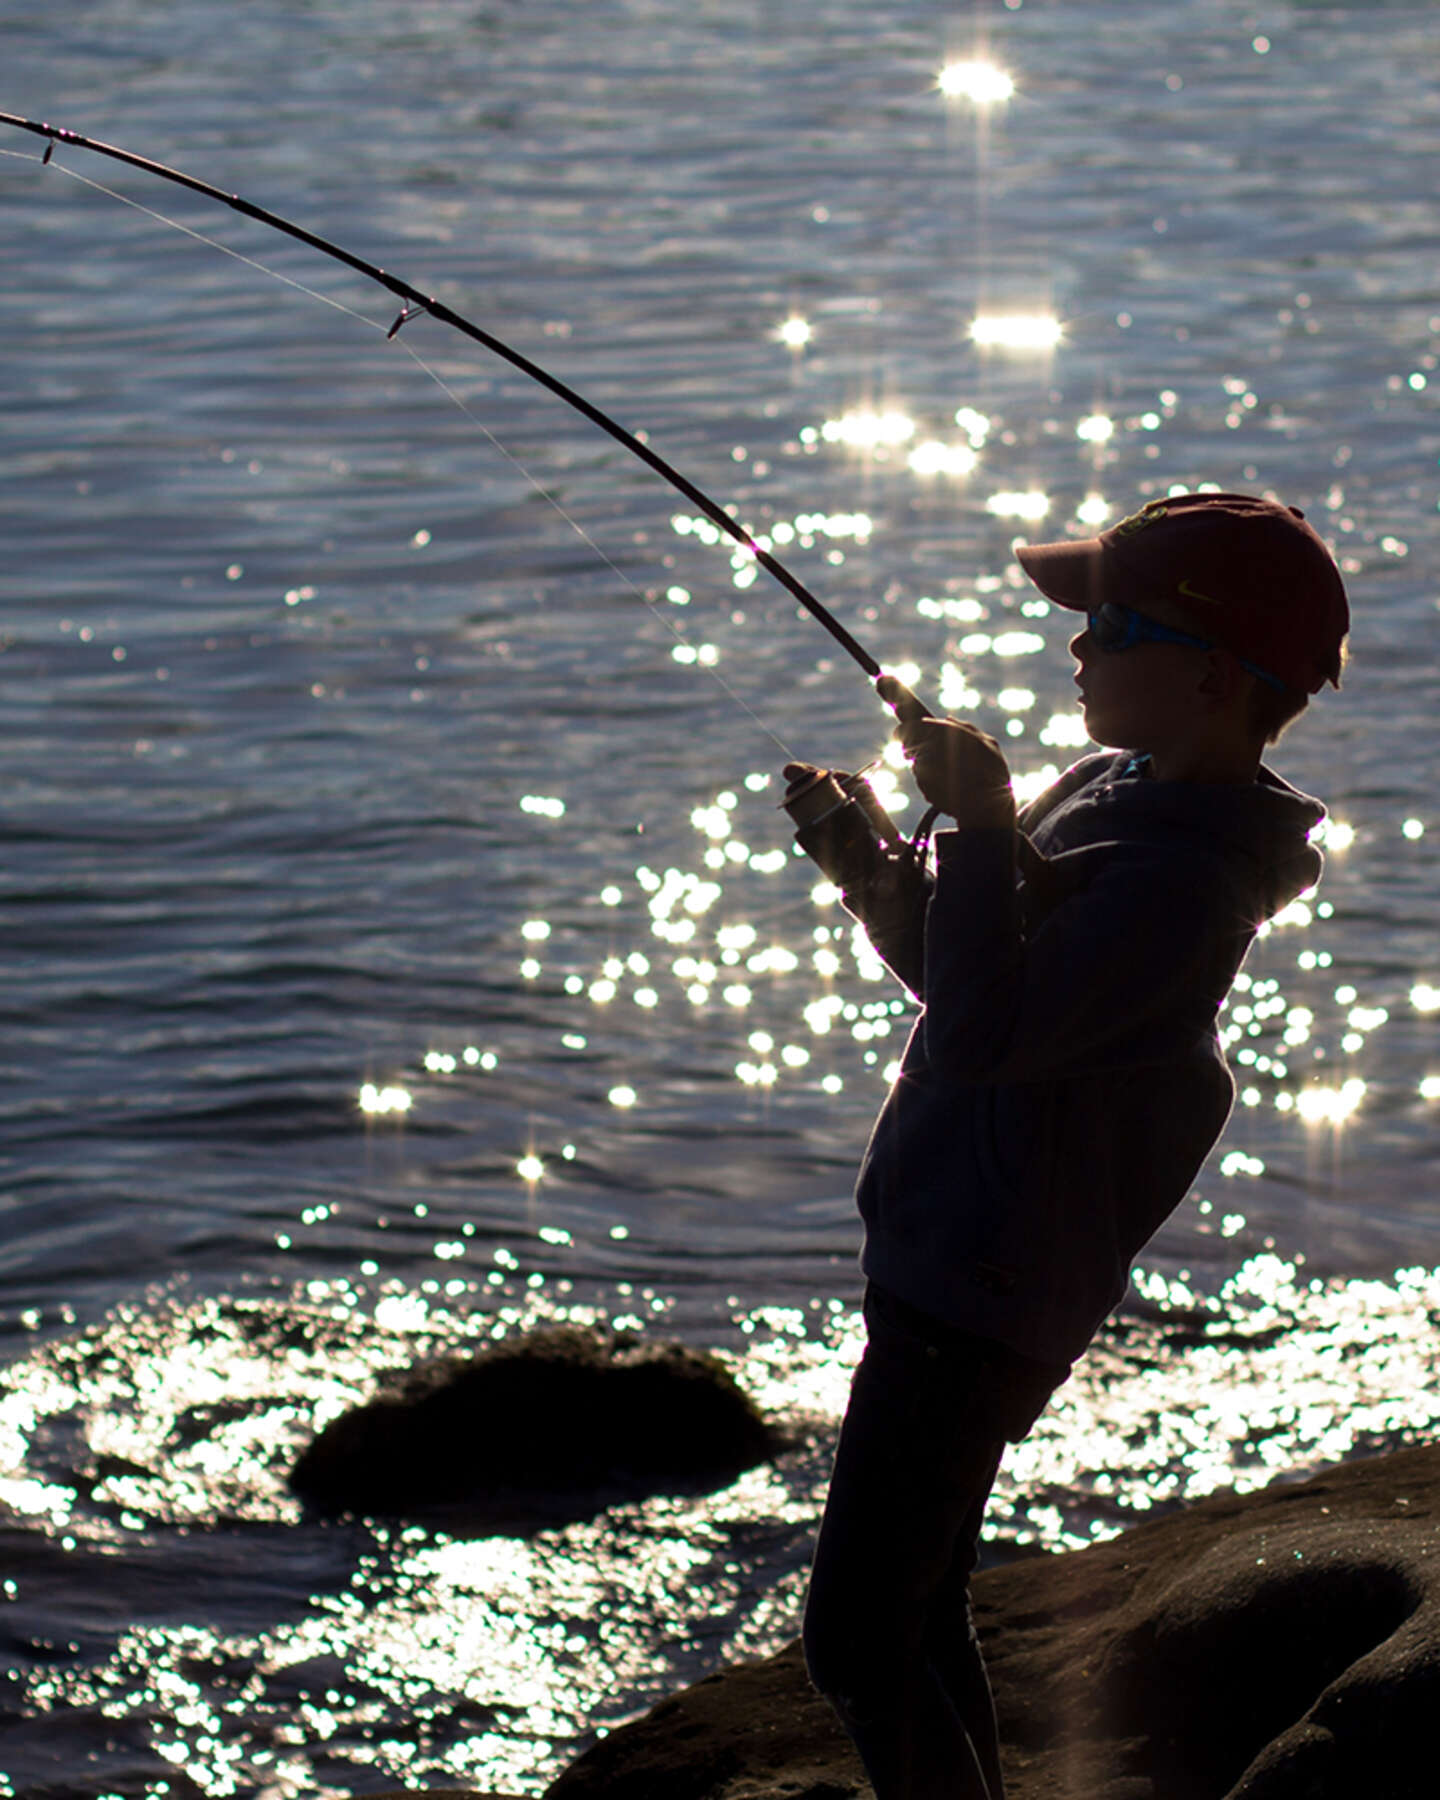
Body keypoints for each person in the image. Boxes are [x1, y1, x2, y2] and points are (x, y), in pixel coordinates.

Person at [782, 492, 1350, 1800]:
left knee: (856, 1643)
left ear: (1210, 677)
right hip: (941, 1257)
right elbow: (959, 968)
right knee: (920, 1612)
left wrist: (983, 823)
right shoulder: (1113, 785)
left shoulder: (1185, 890)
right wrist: (864, 852)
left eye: (1111, 626)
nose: (1078, 649)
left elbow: (985, 1036)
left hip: (980, 1297)